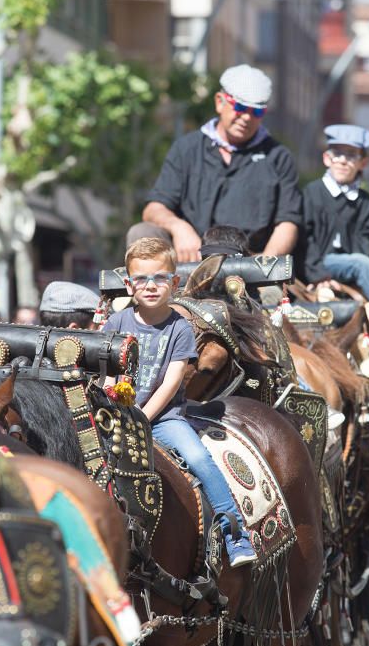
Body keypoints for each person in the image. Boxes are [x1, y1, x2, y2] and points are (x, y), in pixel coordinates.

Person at [103, 237, 255, 567]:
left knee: (199, 458)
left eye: (160, 278)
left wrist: (141, 416)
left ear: (174, 283)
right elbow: (109, 376)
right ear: (129, 285)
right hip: (119, 414)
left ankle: (235, 534)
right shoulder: (116, 323)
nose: (151, 286)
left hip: (164, 418)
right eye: (141, 279)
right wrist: (112, 407)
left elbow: (171, 383)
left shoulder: (179, 328)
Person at [132, 64, 302, 263]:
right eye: (240, 107)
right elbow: (153, 209)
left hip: (248, 263)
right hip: (190, 257)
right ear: (220, 102)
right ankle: (151, 290)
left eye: (256, 111)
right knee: (141, 232)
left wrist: (266, 265)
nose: (247, 117)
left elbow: (288, 223)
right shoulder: (187, 148)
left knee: (271, 294)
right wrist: (180, 228)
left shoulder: (278, 157)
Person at [295, 124, 369, 318]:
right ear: (327, 159)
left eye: (351, 155)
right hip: (324, 262)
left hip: (356, 260)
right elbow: (306, 241)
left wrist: (365, 264)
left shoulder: (366, 202)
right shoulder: (311, 193)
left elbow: (368, 243)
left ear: (363, 163)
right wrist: (318, 274)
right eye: (337, 154)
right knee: (360, 263)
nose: (343, 161)